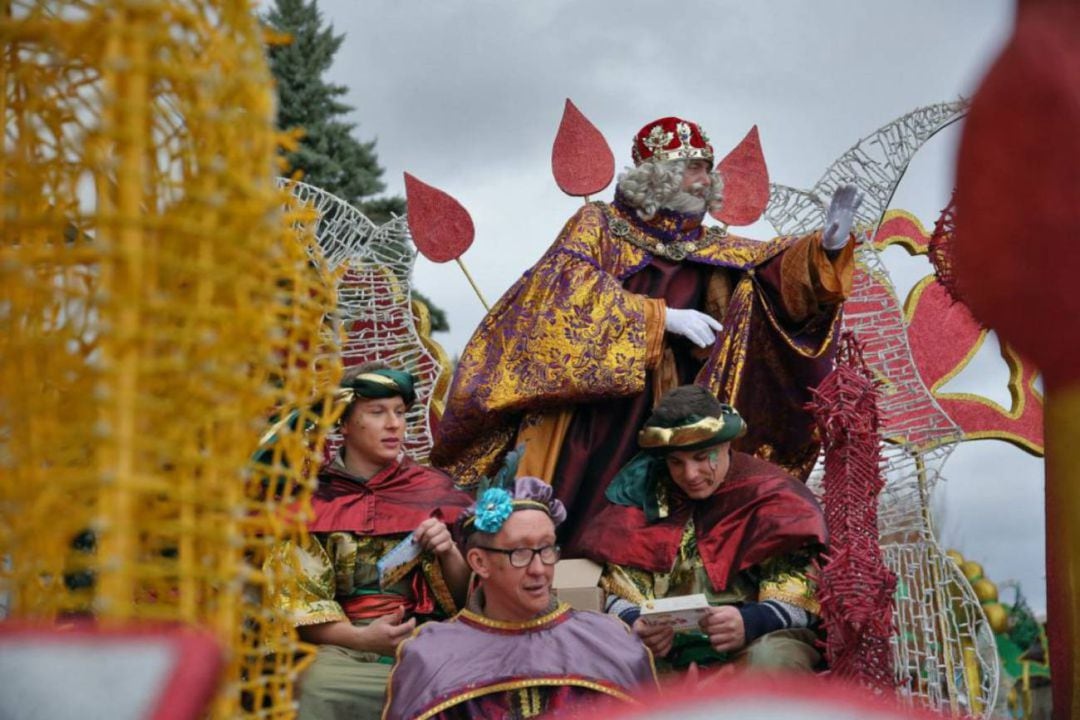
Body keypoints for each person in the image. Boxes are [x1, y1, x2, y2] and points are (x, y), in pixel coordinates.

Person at [431, 115, 859, 554]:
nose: (703, 180)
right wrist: (659, 320)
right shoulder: (597, 224)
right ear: (657, 176)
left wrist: (822, 252)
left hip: (681, 405)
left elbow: (770, 273)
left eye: (705, 168)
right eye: (691, 167)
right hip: (597, 411)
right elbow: (558, 297)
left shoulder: (711, 242)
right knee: (585, 508)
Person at [267, 364, 473, 719]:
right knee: (317, 687)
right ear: (344, 424)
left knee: (464, 679)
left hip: (427, 638)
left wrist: (449, 551)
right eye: (377, 412)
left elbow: (470, 597)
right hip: (342, 646)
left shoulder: (436, 491)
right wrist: (361, 639)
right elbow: (299, 600)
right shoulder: (310, 503)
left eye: (400, 413)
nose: (394, 424)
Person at [580, 385, 827, 673]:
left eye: (701, 458)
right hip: (668, 656)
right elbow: (617, 589)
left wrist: (751, 621)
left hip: (757, 641)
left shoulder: (771, 496)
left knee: (773, 658)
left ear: (726, 445)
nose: (690, 475)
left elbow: (804, 596)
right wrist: (638, 623)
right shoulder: (643, 497)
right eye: (676, 462)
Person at [383, 472, 658, 720]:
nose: (539, 570)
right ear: (479, 563)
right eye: (520, 553)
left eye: (547, 549)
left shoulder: (611, 642)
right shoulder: (431, 658)